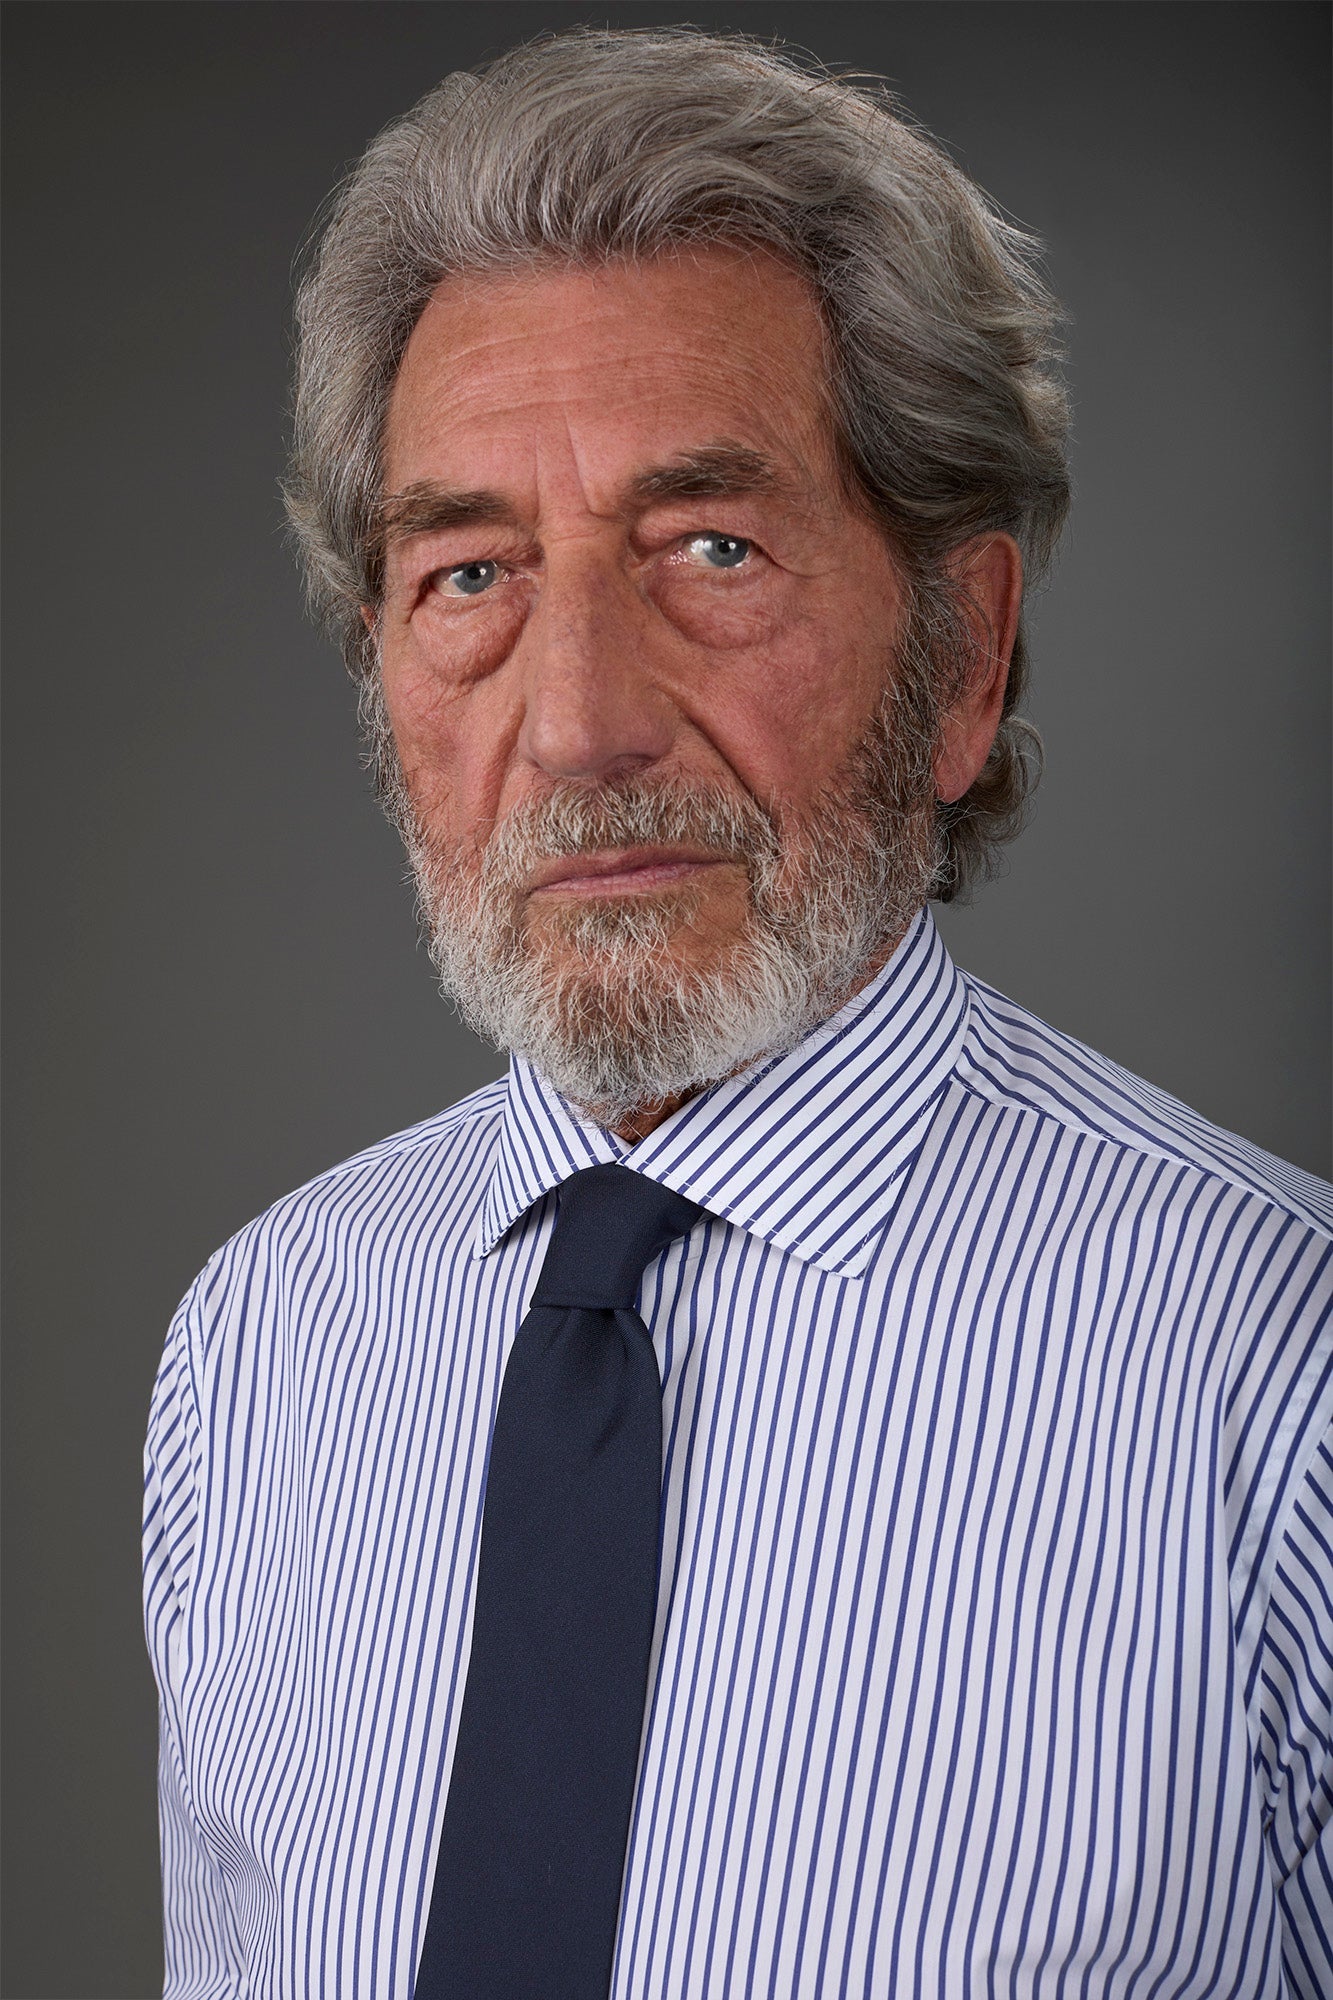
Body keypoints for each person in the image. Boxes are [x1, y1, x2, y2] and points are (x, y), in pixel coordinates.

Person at [142, 27, 1332, 1998]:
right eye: (469, 573)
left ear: (963, 655)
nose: (578, 721)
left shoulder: (1278, 1378)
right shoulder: (258, 1349)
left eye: (712, 550)